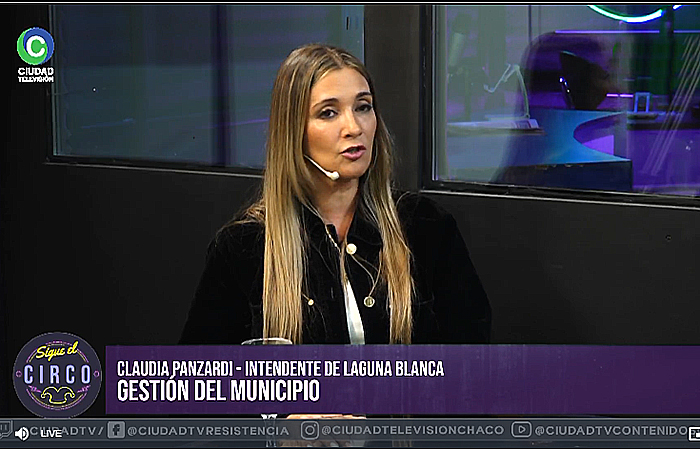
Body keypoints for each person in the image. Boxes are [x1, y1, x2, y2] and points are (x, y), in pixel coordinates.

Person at [179, 43, 491, 347]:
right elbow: (202, 373)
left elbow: (471, 362)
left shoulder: (426, 226)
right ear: (293, 132)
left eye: (363, 107)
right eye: (328, 113)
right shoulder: (242, 248)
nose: (353, 127)